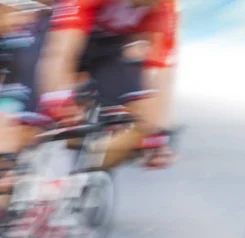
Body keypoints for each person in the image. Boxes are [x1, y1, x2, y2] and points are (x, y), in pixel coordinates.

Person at [13, 0, 179, 172]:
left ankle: (84, 174)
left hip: (108, 50)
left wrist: (157, 130)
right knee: (33, 122)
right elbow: (61, 51)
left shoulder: (164, 8)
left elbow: (160, 75)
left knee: (145, 121)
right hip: (57, 36)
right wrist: (56, 98)